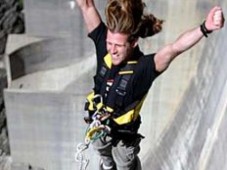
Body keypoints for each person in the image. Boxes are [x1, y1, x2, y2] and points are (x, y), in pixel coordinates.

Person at [75, 0, 225, 169]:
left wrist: (205, 27)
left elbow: (174, 48)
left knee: (124, 161)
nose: (112, 50)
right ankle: (107, 166)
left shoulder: (143, 68)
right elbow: (86, 5)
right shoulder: (105, 46)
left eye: (118, 45)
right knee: (101, 146)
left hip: (124, 135)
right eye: (110, 43)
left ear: (133, 43)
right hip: (101, 124)